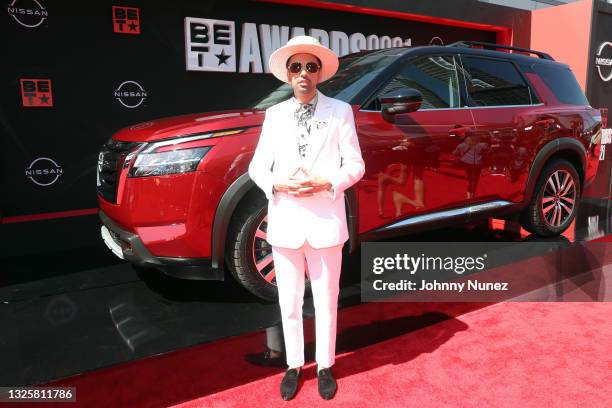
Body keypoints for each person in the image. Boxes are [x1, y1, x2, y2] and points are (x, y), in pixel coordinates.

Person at [248, 35, 365, 400]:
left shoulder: (340, 112)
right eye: (296, 67)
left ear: (320, 73)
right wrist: (277, 184)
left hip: (326, 222)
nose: (303, 73)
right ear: (287, 73)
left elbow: (356, 165)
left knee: (328, 300)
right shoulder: (273, 115)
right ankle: (294, 365)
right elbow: (256, 167)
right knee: (289, 302)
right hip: (285, 223)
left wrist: (328, 181)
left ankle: (326, 364)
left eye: (310, 67)